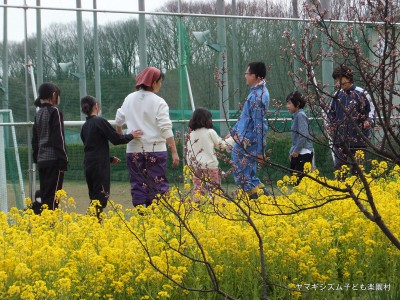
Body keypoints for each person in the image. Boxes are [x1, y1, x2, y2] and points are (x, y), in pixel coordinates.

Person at [115, 66, 180, 207]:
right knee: (157, 184)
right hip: (156, 149)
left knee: (137, 183)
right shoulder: (159, 102)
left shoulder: (129, 98)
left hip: (133, 149)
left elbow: (118, 119)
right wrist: (174, 151)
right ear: (154, 82)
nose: (160, 85)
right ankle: (155, 218)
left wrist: (120, 133)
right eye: (160, 82)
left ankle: (141, 215)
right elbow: (166, 128)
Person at [80, 96, 143, 216]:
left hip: (89, 164)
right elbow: (116, 139)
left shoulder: (85, 126)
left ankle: (94, 224)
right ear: (96, 107)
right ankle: (90, 223)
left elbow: (91, 148)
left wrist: (108, 159)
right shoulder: (99, 121)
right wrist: (131, 135)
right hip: (99, 166)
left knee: (95, 196)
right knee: (101, 198)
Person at [230, 62, 270, 199]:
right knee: (248, 171)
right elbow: (245, 117)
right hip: (245, 137)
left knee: (239, 169)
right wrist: (234, 131)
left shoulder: (257, 96)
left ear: (255, 76)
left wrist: (260, 151)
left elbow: (259, 124)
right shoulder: (257, 92)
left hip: (247, 140)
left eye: (247, 74)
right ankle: (262, 194)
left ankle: (254, 199)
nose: (245, 76)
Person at [327, 65, 372, 173]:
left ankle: (357, 188)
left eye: (340, 80)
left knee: (357, 170)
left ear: (348, 78)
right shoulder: (337, 96)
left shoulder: (361, 93)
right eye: (336, 80)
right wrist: (330, 125)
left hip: (358, 139)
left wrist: (369, 121)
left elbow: (371, 110)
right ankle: (340, 188)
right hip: (340, 139)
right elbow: (330, 113)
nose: (338, 83)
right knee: (339, 168)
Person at [32, 82, 68, 213]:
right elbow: (59, 138)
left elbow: (35, 140)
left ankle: (43, 223)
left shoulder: (38, 113)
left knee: (45, 194)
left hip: (42, 161)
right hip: (54, 161)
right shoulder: (55, 112)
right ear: (53, 95)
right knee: (53, 198)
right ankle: (50, 225)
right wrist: (64, 161)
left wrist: (36, 157)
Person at [186, 108, 232, 196]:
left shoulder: (191, 134)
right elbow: (221, 146)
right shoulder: (210, 132)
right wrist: (232, 140)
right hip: (211, 167)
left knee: (198, 191)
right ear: (206, 120)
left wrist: (191, 165)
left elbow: (189, 152)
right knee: (215, 192)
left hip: (197, 167)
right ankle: (216, 207)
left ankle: (197, 207)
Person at [286, 91, 314, 183]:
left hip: (304, 152)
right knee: (294, 178)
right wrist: (292, 151)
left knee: (299, 181)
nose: (287, 106)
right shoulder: (296, 116)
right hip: (298, 152)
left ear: (297, 104)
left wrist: (296, 151)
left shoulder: (300, 115)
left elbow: (303, 135)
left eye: (289, 103)